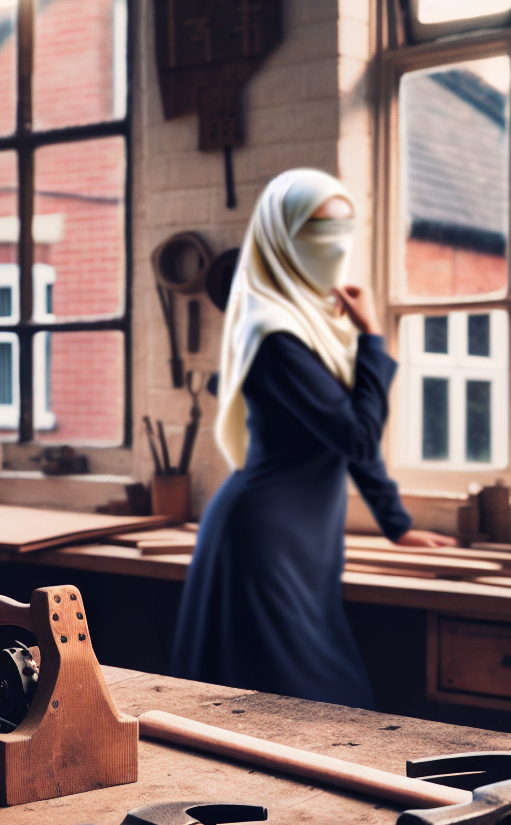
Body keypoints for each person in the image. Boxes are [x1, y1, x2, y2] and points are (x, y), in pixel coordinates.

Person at [171, 169, 454, 709]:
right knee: (310, 702)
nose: (335, 245)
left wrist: (397, 526)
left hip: (304, 540)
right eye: (318, 231)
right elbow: (357, 432)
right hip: (267, 538)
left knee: (298, 702)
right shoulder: (275, 333)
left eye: (344, 229)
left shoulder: (310, 324)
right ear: (280, 238)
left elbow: (349, 439)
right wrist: (372, 338)